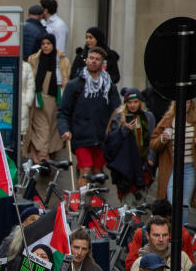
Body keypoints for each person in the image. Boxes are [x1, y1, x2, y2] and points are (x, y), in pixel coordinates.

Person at [57, 46, 120, 188]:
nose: (93, 61)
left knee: (98, 173)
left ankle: (94, 206)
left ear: (102, 63)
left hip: (101, 137)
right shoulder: (74, 85)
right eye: (91, 58)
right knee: (86, 170)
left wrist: (114, 130)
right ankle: (80, 206)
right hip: (81, 136)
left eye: (97, 59)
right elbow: (63, 111)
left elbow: (117, 111)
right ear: (86, 60)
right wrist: (64, 130)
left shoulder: (109, 86)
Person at [24, 34, 70, 163]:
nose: (45, 46)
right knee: (41, 127)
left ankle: (40, 154)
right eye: (43, 44)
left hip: (56, 99)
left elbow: (67, 79)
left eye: (48, 43)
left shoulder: (63, 61)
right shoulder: (34, 59)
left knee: (52, 128)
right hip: (39, 100)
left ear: (53, 44)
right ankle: (43, 156)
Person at [105, 89, 157, 197]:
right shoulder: (119, 118)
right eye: (129, 102)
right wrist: (125, 129)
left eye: (135, 102)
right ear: (125, 104)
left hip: (143, 166)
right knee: (127, 203)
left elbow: (153, 137)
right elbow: (112, 143)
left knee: (141, 202)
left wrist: (151, 158)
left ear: (140, 102)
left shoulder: (148, 117)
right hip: (126, 167)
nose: (132, 105)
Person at [151, 98, 196, 206]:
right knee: (172, 202)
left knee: (184, 204)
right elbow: (153, 144)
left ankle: (182, 224)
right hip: (172, 167)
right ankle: (172, 223)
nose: (185, 105)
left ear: (191, 104)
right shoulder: (167, 120)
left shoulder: (194, 120)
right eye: (182, 101)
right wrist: (163, 139)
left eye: (188, 102)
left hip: (190, 167)